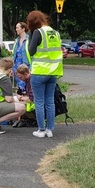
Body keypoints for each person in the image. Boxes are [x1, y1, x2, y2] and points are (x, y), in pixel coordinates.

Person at [26, 10, 63, 138]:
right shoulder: (55, 33)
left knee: (39, 102)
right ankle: (50, 129)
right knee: (50, 101)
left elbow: (31, 51)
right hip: (53, 72)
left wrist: (30, 35)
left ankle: (41, 130)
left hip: (39, 71)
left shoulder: (37, 32)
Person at [12, 22, 30, 91]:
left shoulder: (29, 39)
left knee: (26, 84)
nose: (16, 29)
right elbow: (14, 54)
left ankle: (27, 99)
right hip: (16, 66)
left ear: (23, 29)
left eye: (17, 28)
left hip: (25, 65)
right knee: (19, 85)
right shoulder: (17, 40)